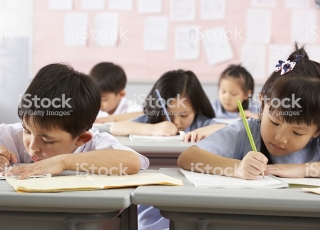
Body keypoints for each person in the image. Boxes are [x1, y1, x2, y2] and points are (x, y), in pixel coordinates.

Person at [178, 43, 320, 179]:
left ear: (316, 131)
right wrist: (237, 168)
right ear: (263, 104)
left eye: (297, 132)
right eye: (274, 122)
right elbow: (187, 157)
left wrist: (304, 169)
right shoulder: (245, 132)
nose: (280, 138)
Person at [0, 63, 149, 179]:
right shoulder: (14, 137)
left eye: (47, 141)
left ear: (81, 138)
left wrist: (62, 162)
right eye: (27, 130)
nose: (32, 147)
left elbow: (131, 161)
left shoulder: (95, 144)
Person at [110, 69, 226, 142]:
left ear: (196, 108)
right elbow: (115, 128)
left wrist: (202, 132)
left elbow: (225, 128)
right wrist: (152, 129)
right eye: (169, 114)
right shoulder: (152, 120)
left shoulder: (200, 122)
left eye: (184, 115)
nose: (176, 122)